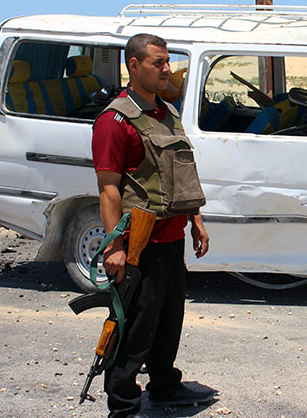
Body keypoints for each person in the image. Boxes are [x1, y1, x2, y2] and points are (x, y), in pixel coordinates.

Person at [91, 33, 215, 418]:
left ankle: (164, 386)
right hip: (138, 243)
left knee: (167, 321)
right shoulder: (114, 121)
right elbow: (109, 188)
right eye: (157, 62)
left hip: (171, 238)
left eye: (167, 61)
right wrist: (114, 247)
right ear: (134, 65)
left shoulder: (167, 111)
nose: (166, 69)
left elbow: (180, 172)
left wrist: (195, 220)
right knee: (135, 327)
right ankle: (123, 406)